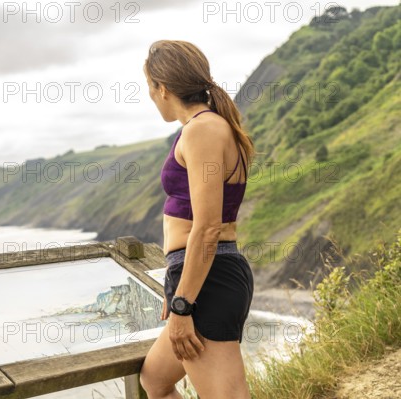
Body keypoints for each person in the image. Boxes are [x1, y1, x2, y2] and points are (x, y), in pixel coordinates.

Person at [139, 40, 256, 399]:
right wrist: (177, 284)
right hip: (200, 274)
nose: (150, 97)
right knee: (155, 380)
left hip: (210, 280)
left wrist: (183, 302)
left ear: (162, 88)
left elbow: (207, 228)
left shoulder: (202, 129)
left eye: (149, 88)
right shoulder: (208, 126)